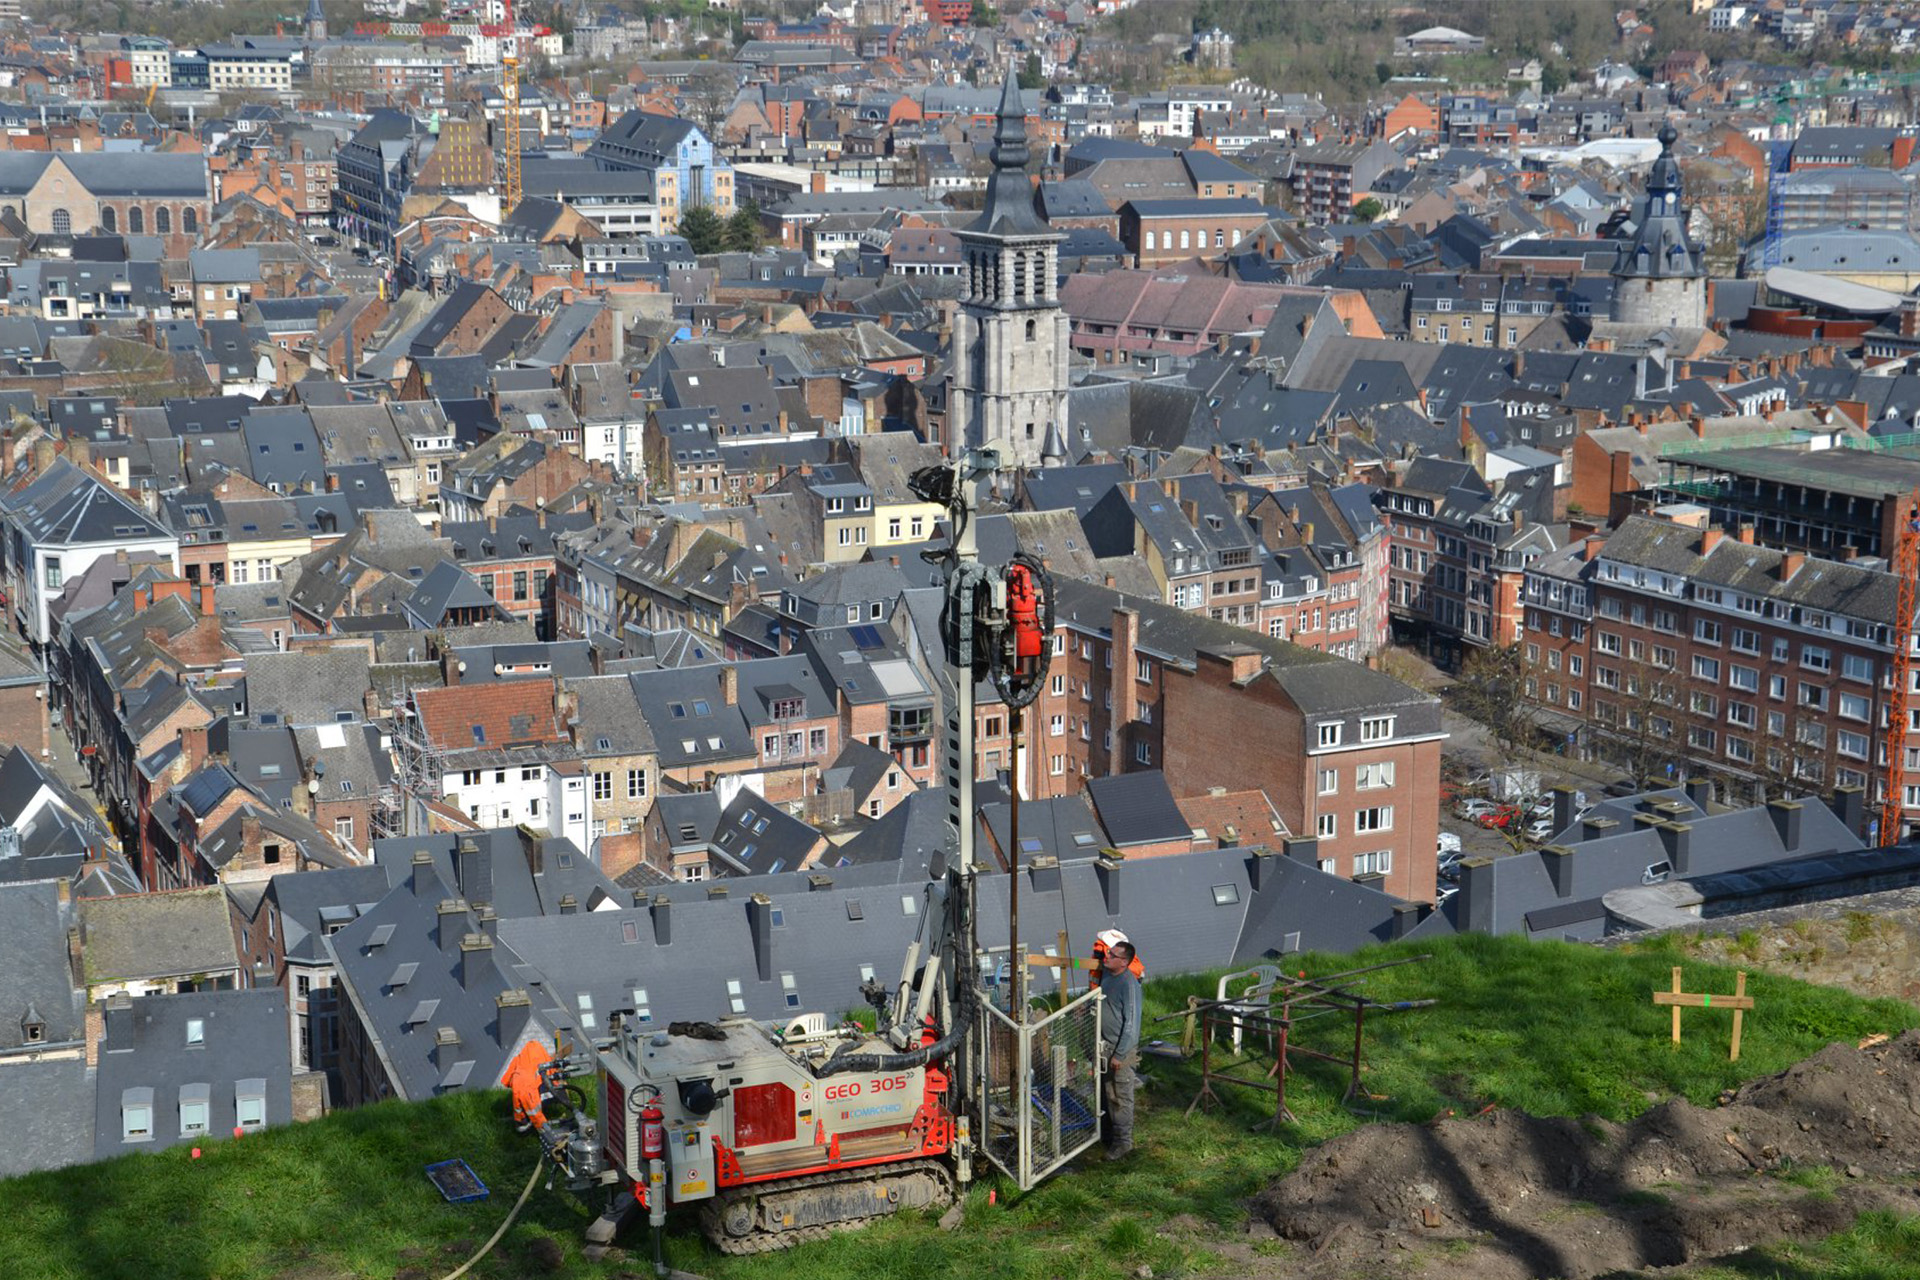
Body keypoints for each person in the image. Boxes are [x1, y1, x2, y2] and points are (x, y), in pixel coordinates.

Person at [1098, 939, 1141, 1160]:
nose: (1107, 956)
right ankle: (1106, 1136)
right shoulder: (1107, 976)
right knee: (1106, 1093)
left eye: (1112, 955)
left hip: (1120, 1050)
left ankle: (1124, 1143)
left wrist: (1120, 1054)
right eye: (1108, 952)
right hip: (1104, 1046)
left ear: (1124, 962)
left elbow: (1131, 1025)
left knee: (1121, 1096)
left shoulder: (1129, 985)